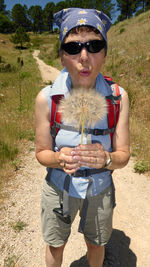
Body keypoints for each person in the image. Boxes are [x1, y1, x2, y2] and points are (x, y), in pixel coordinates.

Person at [35, 8, 130, 267]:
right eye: (74, 47)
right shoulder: (46, 99)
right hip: (58, 188)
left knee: (96, 243)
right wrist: (56, 157)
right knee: (55, 244)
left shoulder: (119, 97)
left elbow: (124, 156)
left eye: (94, 45)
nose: (84, 57)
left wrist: (108, 158)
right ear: (62, 57)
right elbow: (41, 152)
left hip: (100, 189)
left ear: (105, 52)